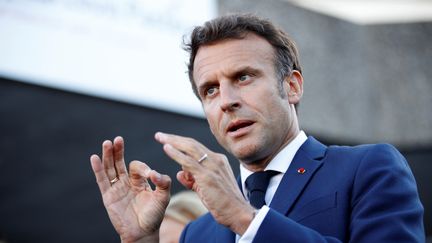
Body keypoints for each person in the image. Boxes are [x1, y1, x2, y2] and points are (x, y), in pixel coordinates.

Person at [89, 13, 425, 242]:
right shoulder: (197, 233)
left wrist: (246, 219)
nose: (226, 101)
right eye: (210, 90)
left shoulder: (368, 168)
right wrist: (142, 240)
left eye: (243, 77)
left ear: (291, 86)